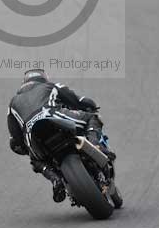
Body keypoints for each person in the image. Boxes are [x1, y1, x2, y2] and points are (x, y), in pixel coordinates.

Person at [7, 69, 116, 204]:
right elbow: (78, 100)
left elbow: (15, 138)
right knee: (92, 118)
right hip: (53, 116)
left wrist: (24, 148)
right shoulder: (50, 86)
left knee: (36, 160)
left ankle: (55, 179)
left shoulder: (12, 103)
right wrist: (90, 105)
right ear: (43, 78)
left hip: (32, 134)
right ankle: (96, 145)